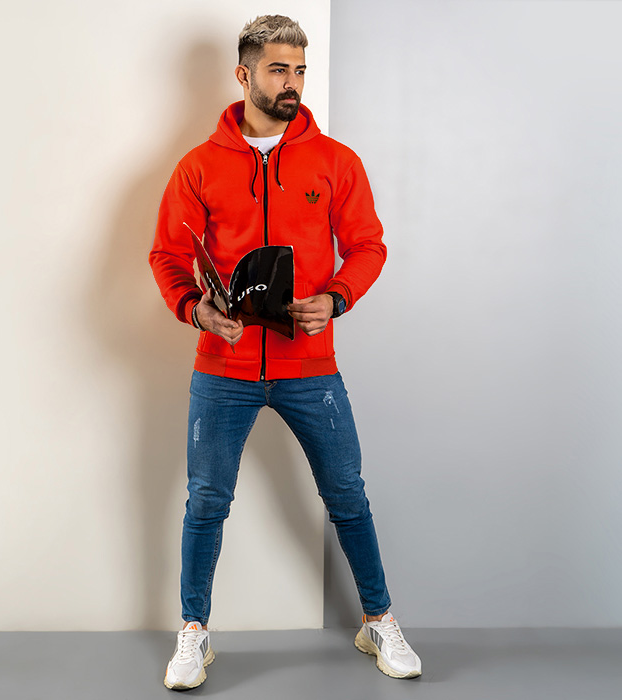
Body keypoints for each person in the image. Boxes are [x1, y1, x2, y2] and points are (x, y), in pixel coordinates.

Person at [149, 14, 422, 691]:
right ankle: (194, 633)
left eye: (300, 70)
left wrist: (336, 297)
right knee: (206, 502)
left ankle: (379, 620)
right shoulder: (198, 166)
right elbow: (168, 255)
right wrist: (196, 309)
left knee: (347, 496)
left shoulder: (335, 161)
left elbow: (368, 245)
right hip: (224, 369)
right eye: (278, 70)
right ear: (244, 75)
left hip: (310, 366)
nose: (293, 82)